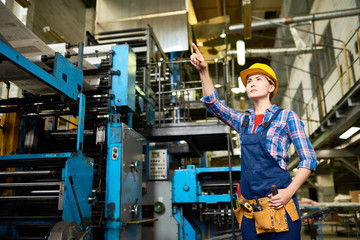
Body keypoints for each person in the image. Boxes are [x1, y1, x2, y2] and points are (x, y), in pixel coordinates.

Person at [190, 43, 317, 240]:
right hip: (249, 210)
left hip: (279, 206)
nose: (252, 83)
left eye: (258, 79)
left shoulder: (287, 117)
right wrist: (203, 71)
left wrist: (288, 192)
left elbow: (308, 159)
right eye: (249, 80)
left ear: (271, 86)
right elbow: (213, 104)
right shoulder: (244, 121)